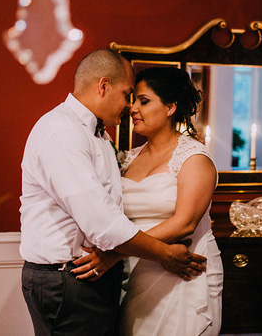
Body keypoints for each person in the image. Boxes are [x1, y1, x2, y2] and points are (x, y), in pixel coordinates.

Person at [19, 49, 207, 336]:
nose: (129, 105)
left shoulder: (101, 137)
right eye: (127, 94)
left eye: (139, 99)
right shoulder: (62, 131)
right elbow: (102, 222)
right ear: (103, 86)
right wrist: (165, 254)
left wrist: (115, 260)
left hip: (97, 275)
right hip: (69, 280)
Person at [75, 66, 224, 335]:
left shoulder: (195, 158)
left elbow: (184, 223)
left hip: (183, 271)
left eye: (144, 101)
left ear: (170, 107)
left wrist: (114, 253)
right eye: (132, 101)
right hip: (135, 272)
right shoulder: (126, 159)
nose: (133, 109)